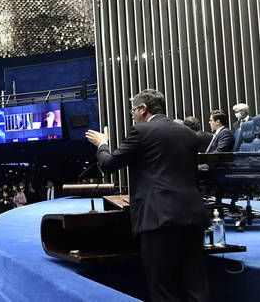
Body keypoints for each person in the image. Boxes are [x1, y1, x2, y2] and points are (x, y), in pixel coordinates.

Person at [85, 89, 210, 302]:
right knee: (196, 285)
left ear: (143, 109)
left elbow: (108, 164)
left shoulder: (141, 131)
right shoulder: (188, 134)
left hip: (157, 219)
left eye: (133, 110)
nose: (132, 115)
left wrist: (102, 144)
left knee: (163, 288)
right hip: (192, 216)